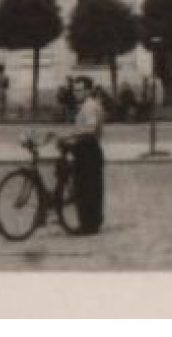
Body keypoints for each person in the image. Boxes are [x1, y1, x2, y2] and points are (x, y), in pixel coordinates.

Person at [66, 79, 106, 235]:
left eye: (80, 90)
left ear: (89, 91)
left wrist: (71, 136)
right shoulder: (86, 106)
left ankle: (88, 225)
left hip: (88, 151)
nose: (77, 93)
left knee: (87, 189)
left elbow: (90, 129)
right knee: (90, 188)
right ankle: (92, 223)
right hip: (86, 149)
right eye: (75, 90)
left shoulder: (89, 107)